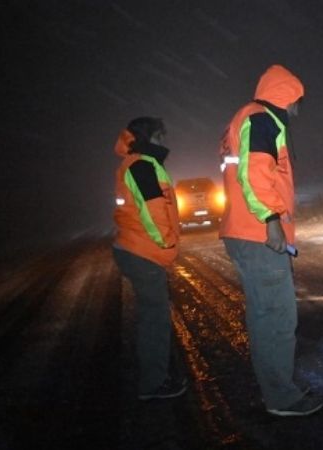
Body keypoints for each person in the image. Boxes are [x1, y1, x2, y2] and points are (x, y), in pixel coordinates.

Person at [219, 64, 323, 417]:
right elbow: (256, 175)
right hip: (258, 234)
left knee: (268, 316)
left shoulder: (251, 118)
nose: (297, 108)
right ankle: (281, 397)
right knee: (276, 319)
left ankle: (279, 386)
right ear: (286, 95)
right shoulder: (261, 119)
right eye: (297, 100)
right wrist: (271, 220)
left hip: (247, 233)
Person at [112, 117, 188, 400]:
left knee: (152, 317)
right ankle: (153, 383)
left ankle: (157, 374)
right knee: (154, 320)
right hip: (143, 252)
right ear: (149, 138)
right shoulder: (142, 165)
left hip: (137, 249)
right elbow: (153, 210)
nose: (163, 141)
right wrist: (167, 242)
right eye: (160, 136)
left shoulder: (138, 163)